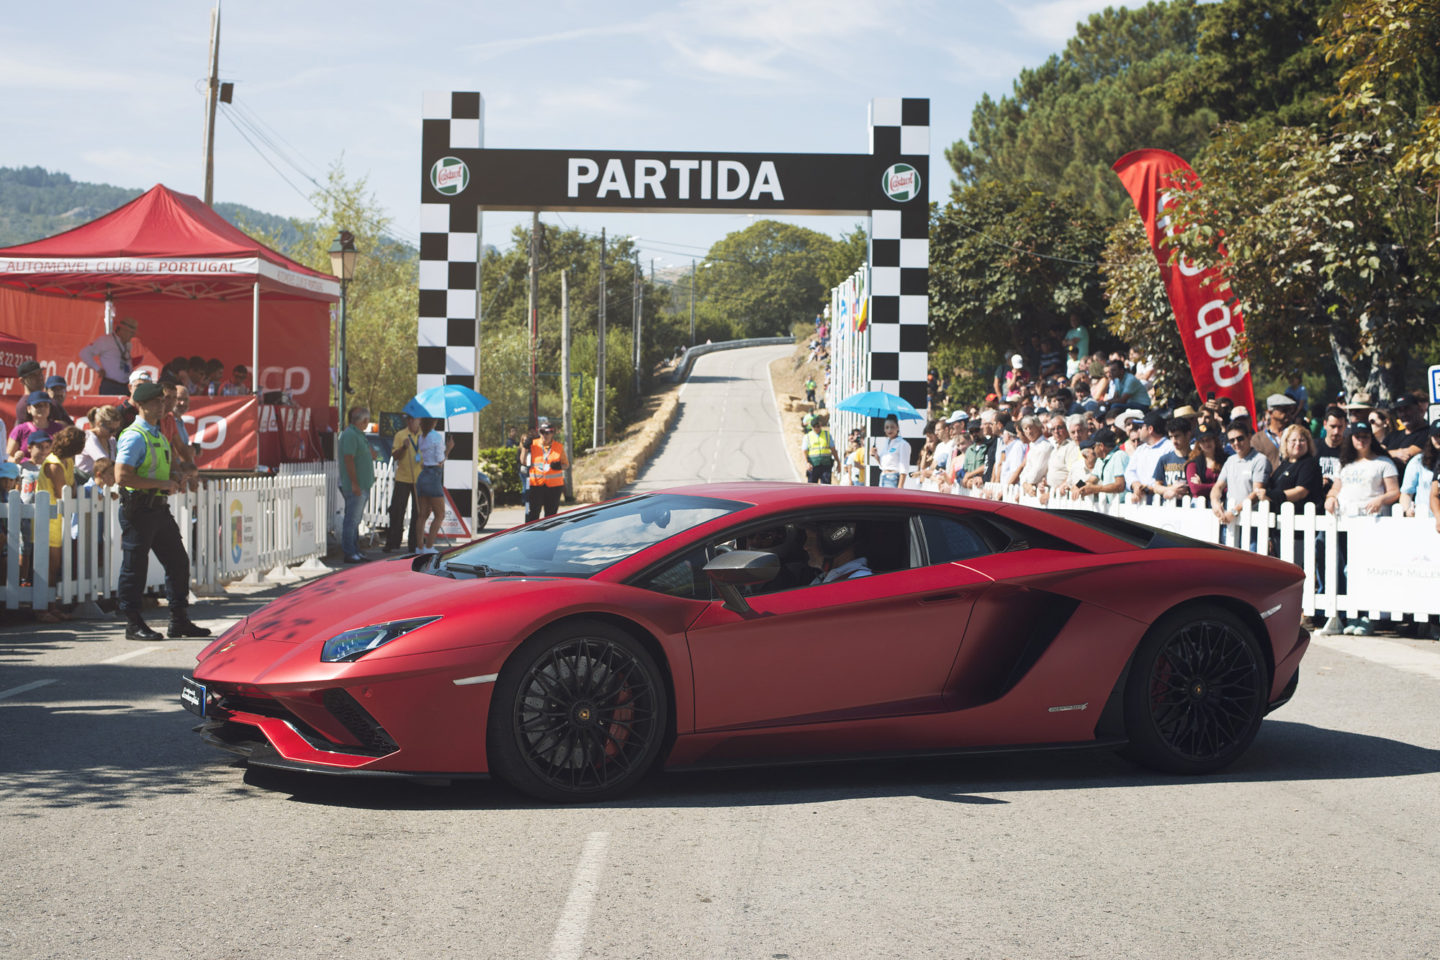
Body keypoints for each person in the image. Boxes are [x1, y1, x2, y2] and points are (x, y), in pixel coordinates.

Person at [114, 381, 210, 641]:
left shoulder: (157, 433)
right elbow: (122, 476)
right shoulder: (135, 435)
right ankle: (132, 623)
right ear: (142, 405)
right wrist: (162, 483)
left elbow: (160, 468)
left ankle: (179, 620)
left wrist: (178, 475)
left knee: (178, 562)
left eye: (163, 400)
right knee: (135, 567)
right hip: (139, 509)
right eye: (157, 402)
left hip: (157, 508)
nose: (162, 405)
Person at [35, 425, 84, 623]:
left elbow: (70, 489)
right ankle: (41, 609)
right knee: (48, 565)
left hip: (59, 518)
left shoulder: (68, 461)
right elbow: (63, 491)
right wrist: (72, 490)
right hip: (47, 519)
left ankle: (51, 605)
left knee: (54, 567)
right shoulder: (54, 464)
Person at [1212, 420, 1271, 540]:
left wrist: (1234, 512)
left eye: (1240, 438)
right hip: (1230, 520)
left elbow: (1256, 492)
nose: (1236, 443)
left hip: (1252, 520)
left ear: (1249, 436)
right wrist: (1215, 502)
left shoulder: (1260, 460)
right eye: (1231, 440)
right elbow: (1218, 486)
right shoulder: (1230, 461)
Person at [337, 406, 376, 564]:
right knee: (352, 520)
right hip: (355, 485)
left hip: (360, 484)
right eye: (366, 420)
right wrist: (354, 483)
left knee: (355, 520)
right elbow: (348, 459)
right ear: (364, 421)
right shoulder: (351, 435)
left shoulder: (357, 434)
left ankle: (355, 550)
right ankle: (350, 552)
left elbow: (362, 455)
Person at [1259, 424, 1324, 512]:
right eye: (1293, 440)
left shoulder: (1310, 464)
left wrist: (1273, 496)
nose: (1298, 443)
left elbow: (1301, 492)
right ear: (1286, 443)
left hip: (1301, 517)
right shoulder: (1284, 464)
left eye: (1302, 440)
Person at [384, 414, 423, 553]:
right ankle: (392, 542)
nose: (411, 421)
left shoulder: (424, 436)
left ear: (419, 420)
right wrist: (404, 448)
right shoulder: (401, 435)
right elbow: (394, 456)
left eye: (414, 419)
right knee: (396, 510)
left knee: (417, 513)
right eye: (409, 419)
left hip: (418, 479)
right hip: (402, 478)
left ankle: (414, 544)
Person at [415, 418, 453, 551]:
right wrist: (448, 449)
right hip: (434, 476)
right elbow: (440, 460)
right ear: (433, 422)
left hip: (423, 475)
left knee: (422, 515)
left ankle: (419, 547)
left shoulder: (422, 437)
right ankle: (429, 546)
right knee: (440, 514)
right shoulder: (435, 436)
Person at [79, 314, 138, 395]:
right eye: (131, 333)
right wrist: (98, 369)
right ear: (122, 330)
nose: (132, 336)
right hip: (111, 386)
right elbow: (84, 353)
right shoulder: (105, 341)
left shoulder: (128, 344)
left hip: (125, 386)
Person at [1124, 411, 1175, 504]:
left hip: (1163, 502)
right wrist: (1136, 485)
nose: (1138, 431)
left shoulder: (1170, 447)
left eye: (1141, 427)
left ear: (1150, 429)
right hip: (1140, 502)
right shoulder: (1140, 449)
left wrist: (1148, 489)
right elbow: (1129, 472)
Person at [799, 520, 871, 583]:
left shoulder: (859, 581)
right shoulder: (823, 578)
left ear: (835, 543)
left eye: (812, 539)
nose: (806, 546)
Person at [1398, 420, 1440, 519]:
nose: (1439, 439)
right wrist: (1407, 510)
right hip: (1424, 517)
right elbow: (1407, 492)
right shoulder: (1418, 461)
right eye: (1436, 436)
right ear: (1430, 437)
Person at [526, 422, 567, 521]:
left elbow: (566, 465)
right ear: (539, 432)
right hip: (536, 484)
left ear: (552, 433)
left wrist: (559, 466)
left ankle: (548, 535)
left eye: (548, 432)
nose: (545, 435)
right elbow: (523, 461)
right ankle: (532, 535)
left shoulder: (558, 447)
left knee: (551, 516)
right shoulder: (533, 444)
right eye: (542, 432)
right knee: (534, 513)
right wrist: (524, 447)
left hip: (554, 487)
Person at [8, 391, 56, 461]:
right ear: (29, 409)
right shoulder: (20, 430)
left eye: (45, 405)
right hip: (25, 470)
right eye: (37, 405)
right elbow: (7, 457)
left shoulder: (59, 429)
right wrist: (17, 459)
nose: (42, 408)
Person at [869, 414, 910, 488]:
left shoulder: (902, 444)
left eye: (892, 427)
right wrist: (875, 455)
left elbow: (904, 467)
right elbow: (883, 464)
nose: (889, 430)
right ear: (884, 429)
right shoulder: (887, 443)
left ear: (897, 428)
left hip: (893, 478)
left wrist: (900, 487)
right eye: (887, 427)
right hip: (882, 477)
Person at [804, 412, 837, 484]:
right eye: (814, 427)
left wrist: (838, 461)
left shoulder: (827, 435)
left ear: (820, 425)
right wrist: (807, 463)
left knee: (826, 486)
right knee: (811, 487)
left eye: (818, 426)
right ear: (812, 427)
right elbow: (804, 451)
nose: (816, 428)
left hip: (825, 464)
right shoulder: (808, 436)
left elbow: (833, 449)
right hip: (813, 465)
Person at [12, 359, 46, 426]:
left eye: (40, 373)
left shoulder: (46, 400)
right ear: (22, 380)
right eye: (33, 376)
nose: (39, 378)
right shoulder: (24, 404)